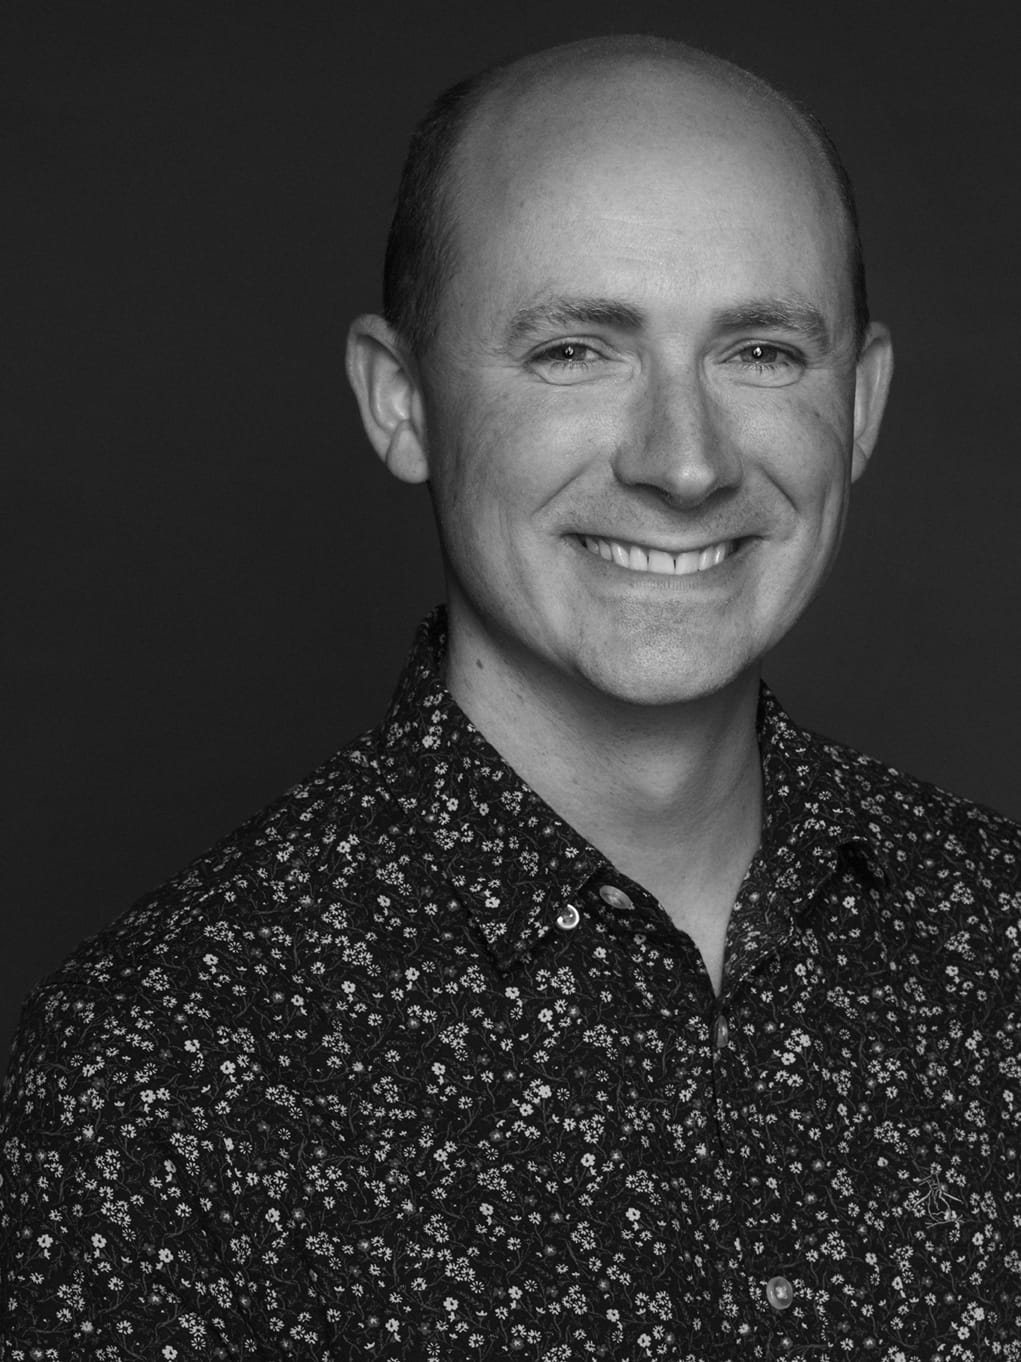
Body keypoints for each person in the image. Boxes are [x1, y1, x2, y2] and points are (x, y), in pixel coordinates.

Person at [2, 31, 1019, 1361]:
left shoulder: (1000, 950)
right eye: (574, 350)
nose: (685, 463)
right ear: (400, 400)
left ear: (862, 403)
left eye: (763, 351)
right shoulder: (154, 1073)